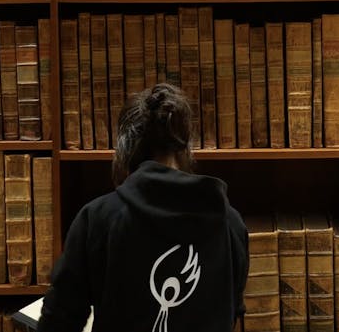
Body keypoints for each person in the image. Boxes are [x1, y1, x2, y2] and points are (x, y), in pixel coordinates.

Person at [39, 83, 249, 332]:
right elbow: (230, 315)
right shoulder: (230, 223)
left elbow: (58, 322)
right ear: (186, 148)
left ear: (125, 149)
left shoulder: (97, 220)